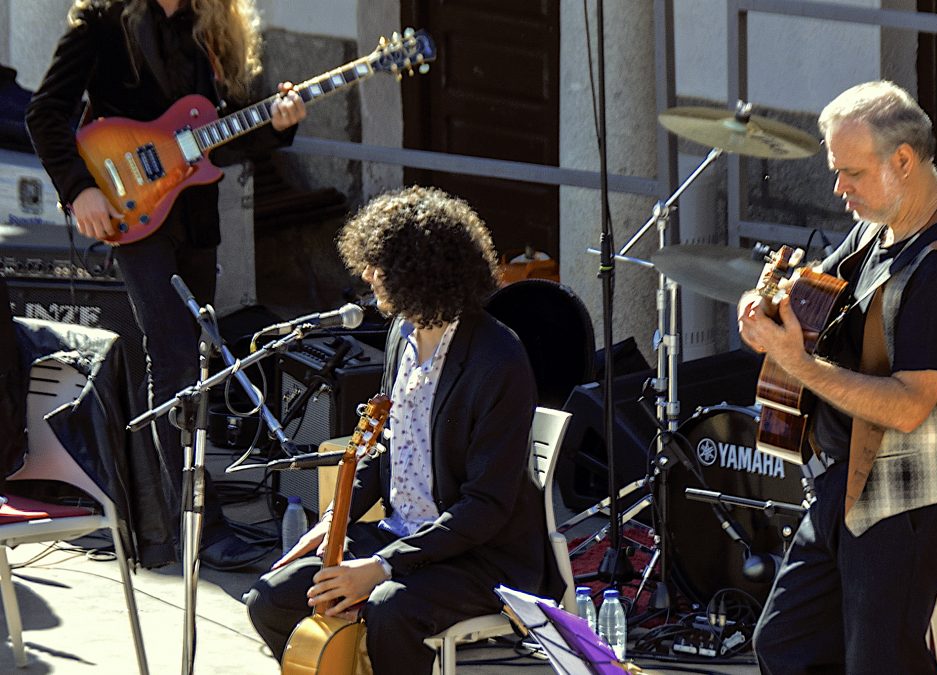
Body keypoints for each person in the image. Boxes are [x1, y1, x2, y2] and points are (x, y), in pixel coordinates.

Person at [25, 0, 306, 570]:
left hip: (195, 217)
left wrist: (276, 127)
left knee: (197, 357)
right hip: (134, 214)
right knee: (173, 356)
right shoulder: (103, 22)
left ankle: (192, 513)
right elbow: (45, 113)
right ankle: (181, 523)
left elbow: (215, 140)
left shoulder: (211, 30)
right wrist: (80, 188)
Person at [245, 186, 565, 673]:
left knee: (389, 608)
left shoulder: (498, 358)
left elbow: (486, 506)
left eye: (382, 265)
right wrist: (335, 520)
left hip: (477, 556)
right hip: (399, 536)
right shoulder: (401, 335)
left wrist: (379, 567)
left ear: (422, 271)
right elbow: (386, 445)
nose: (368, 276)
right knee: (270, 598)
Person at [739, 81, 937, 673]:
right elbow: (805, 295)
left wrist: (800, 365)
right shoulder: (877, 229)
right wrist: (765, 305)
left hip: (909, 501)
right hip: (845, 480)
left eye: (851, 172)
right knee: (785, 644)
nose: (839, 189)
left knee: (880, 664)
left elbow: (910, 406)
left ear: (903, 161)